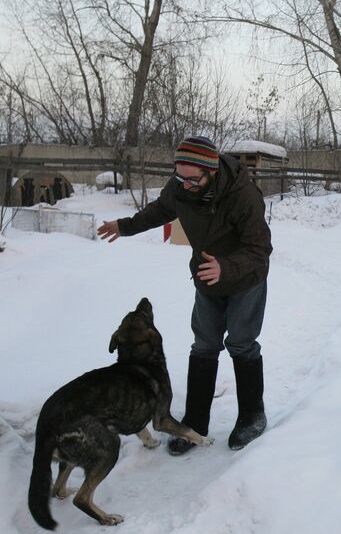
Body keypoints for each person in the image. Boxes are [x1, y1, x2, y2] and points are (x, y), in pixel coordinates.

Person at [97, 136, 272, 455]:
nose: (186, 184)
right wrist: (125, 226)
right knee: (204, 345)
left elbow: (260, 250)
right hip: (207, 276)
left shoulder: (242, 195)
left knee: (241, 342)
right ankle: (195, 421)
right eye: (180, 176)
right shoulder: (180, 186)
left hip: (245, 277)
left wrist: (227, 267)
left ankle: (251, 415)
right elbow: (160, 210)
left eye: (193, 178)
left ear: (212, 171)